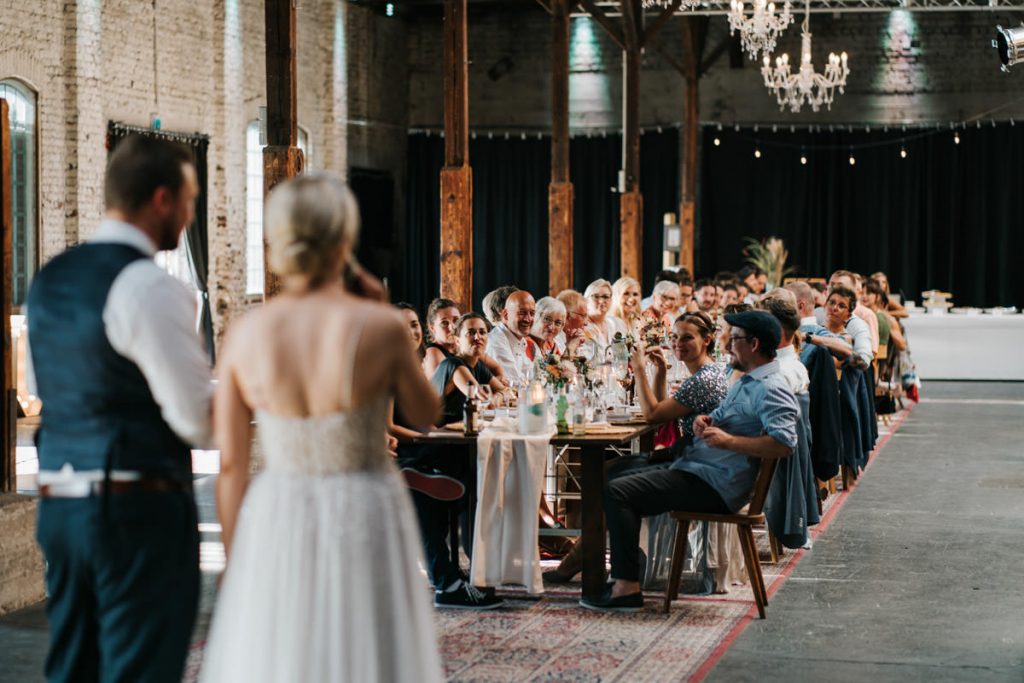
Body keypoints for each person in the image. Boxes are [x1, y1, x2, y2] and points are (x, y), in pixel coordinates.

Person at [201, 174, 444, 680]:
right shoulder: (378, 326)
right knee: (366, 648)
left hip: (281, 508)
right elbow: (426, 413)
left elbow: (231, 463)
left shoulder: (247, 333)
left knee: (284, 650)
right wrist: (379, 309)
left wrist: (232, 559)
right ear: (344, 240)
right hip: (363, 504)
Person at [27, 135, 212, 683]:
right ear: (162, 199)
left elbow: (47, 388)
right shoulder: (150, 286)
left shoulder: (51, 278)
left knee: (73, 668)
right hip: (135, 511)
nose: (190, 213)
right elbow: (195, 419)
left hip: (61, 507)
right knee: (140, 669)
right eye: (190, 199)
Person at [581, 311, 798, 611]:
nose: (726, 347)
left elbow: (784, 444)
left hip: (715, 485)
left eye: (733, 340)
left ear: (754, 344)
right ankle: (614, 570)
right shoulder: (747, 380)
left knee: (618, 492)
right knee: (609, 476)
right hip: (700, 468)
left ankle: (626, 587)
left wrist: (729, 441)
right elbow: (725, 420)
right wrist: (705, 422)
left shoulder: (771, 387)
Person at [543, 311, 728, 585]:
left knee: (610, 479)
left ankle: (602, 564)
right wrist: (662, 372)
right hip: (697, 459)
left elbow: (653, 415)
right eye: (675, 337)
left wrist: (639, 368)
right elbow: (666, 410)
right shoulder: (707, 372)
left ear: (707, 340)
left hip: (698, 468)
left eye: (687, 337)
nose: (678, 343)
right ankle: (591, 556)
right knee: (607, 470)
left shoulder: (703, 380)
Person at [400, 312, 506, 610]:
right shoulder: (452, 364)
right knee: (458, 490)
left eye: (483, 331)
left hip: (445, 444)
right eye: (470, 332)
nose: (478, 337)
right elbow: (482, 396)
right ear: (456, 339)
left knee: (466, 487)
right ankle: (454, 580)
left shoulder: (415, 370)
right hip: (427, 446)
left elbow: (504, 391)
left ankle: (457, 577)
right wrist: (425, 436)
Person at [423, 297, 507, 384]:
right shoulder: (433, 352)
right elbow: (442, 392)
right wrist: (490, 386)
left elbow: (498, 369)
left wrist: (496, 384)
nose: (452, 327)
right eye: (444, 323)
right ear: (432, 328)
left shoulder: (465, 347)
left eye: (456, 320)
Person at [784, 280, 853, 360]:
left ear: (800, 306)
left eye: (785, 304)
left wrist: (807, 337)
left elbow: (847, 350)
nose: (781, 308)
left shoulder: (817, 333)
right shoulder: (787, 330)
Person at [485, 289, 537, 384]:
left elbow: (533, 374)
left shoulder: (520, 339)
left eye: (532, 313)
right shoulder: (496, 341)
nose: (528, 319)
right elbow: (513, 382)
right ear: (505, 315)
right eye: (522, 313)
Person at [584, 279, 626, 351]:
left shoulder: (617, 324)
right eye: (596, 297)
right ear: (586, 300)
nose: (601, 301)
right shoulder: (582, 327)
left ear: (611, 300)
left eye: (605, 297)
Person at [556, 289, 590, 356]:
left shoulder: (578, 335)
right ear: (567, 316)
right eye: (583, 316)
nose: (586, 323)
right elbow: (562, 365)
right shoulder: (554, 340)